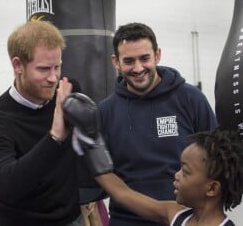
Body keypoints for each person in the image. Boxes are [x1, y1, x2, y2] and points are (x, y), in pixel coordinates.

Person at [98, 22, 218, 225]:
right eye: (128, 61)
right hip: (127, 220)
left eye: (144, 58)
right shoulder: (105, 111)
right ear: (115, 62)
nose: (137, 68)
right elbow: (101, 174)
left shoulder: (191, 99)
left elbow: (217, 162)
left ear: (157, 55)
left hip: (187, 218)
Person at [62, 93, 241, 226]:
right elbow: (122, 193)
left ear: (212, 188)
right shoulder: (176, 214)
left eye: (185, 172)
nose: (176, 175)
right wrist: (91, 142)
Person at [0, 21, 85, 226]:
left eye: (57, 67)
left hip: (72, 218)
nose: (53, 78)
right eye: (43, 69)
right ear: (18, 65)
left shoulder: (66, 90)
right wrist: (54, 137)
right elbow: (8, 186)